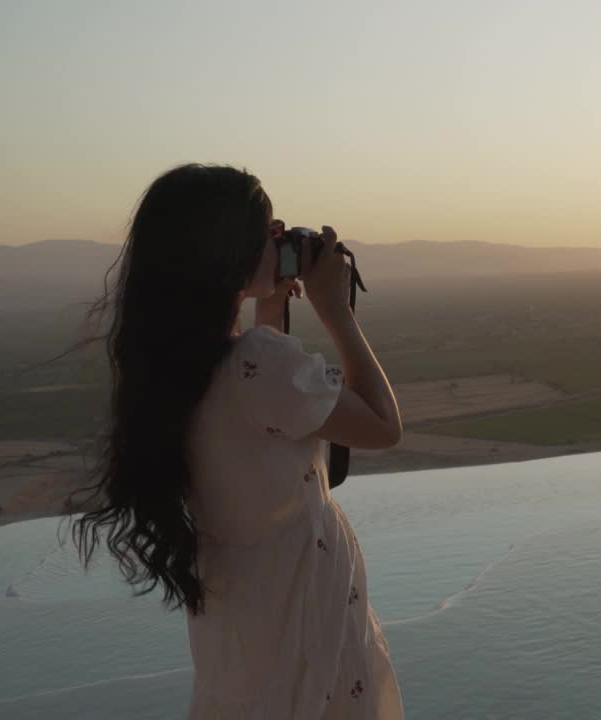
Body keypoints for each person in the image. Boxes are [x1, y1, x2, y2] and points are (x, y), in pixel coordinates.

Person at [71, 163, 405, 718]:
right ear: (230, 251)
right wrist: (336, 312)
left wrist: (270, 307)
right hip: (299, 615)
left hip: (240, 617)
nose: (279, 240)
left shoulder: (172, 369)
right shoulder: (260, 365)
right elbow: (382, 424)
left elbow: (257, 403)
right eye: (267, 231)